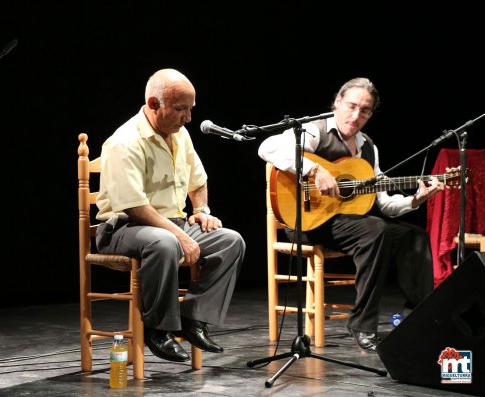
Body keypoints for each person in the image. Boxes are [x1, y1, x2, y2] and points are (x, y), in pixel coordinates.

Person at [258, 77, 445, 352]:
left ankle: (418, 318)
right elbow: (267, 147)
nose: (356, 116)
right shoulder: (315, 130)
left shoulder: (368, 148)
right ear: (337, 102)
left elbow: (384, 202)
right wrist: (314, 170)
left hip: (349, 226)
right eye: (351, 106)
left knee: (412, 236)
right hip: (307, 222)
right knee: (376, 229)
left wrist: (416, 200)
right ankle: (362, 325)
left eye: (365, 111)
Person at [95, 68, 245, 362]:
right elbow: (134, 206)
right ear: (154, 104)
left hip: (170, 225)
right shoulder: (124, 142)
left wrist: (201, 211)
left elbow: (198, 179)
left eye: (191, 109)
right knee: (164, 243)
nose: (188, 118)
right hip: (123, 228)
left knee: (231, 241)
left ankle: (194, 319)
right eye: (181, 109)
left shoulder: (181, 135)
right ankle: (158, 329)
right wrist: (180, 236)